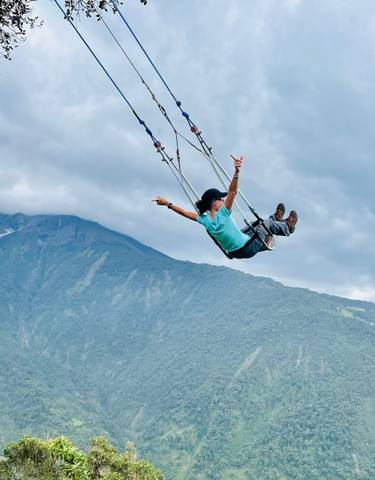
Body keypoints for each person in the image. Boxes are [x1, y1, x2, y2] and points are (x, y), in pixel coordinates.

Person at [153, 155, 298, 259]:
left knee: (260, 224)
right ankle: (287, 227)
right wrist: (237, 172)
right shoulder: (223, 213)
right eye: (220, 199)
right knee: (265, 224)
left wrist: (168, 204)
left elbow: (184, 212)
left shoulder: (205, 220)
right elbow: (233, 192)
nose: (223, 200)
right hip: (247, 247)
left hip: (237, 250)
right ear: (214, 202)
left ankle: (277, 218)